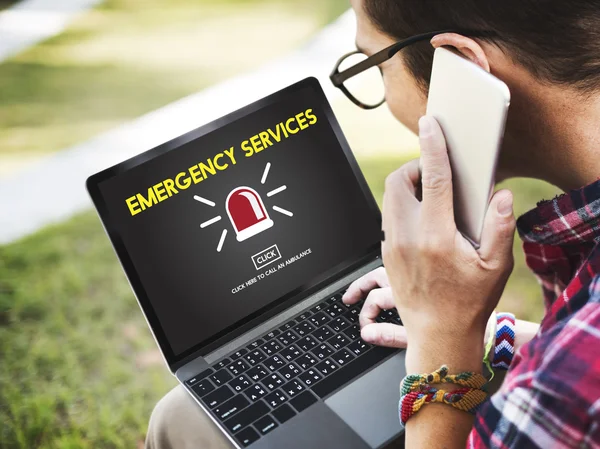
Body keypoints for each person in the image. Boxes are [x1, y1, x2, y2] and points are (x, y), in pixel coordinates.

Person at [146, 0, 600, 447]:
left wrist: (441, 344)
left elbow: (569, 376)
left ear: (464, 69)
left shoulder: (569, 392)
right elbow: (567, 350)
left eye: (375, 65)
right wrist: (482, 334)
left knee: (178, 421)